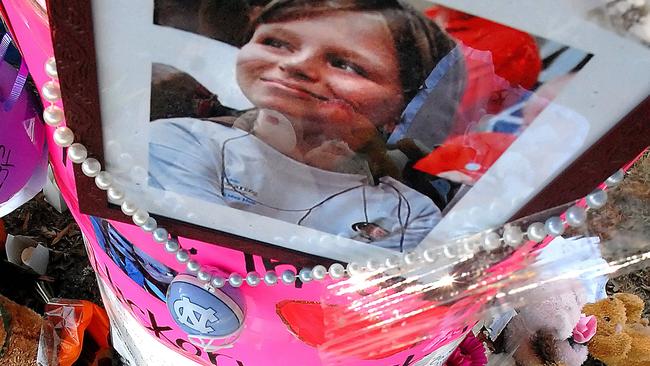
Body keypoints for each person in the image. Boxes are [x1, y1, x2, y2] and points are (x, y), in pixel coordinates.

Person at [149, 0, 458, 251]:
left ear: (399, 108)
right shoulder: (179, 142)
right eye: (277, 43)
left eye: (346, 65)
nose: (296, 64)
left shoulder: (406, 215)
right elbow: (205, 250)